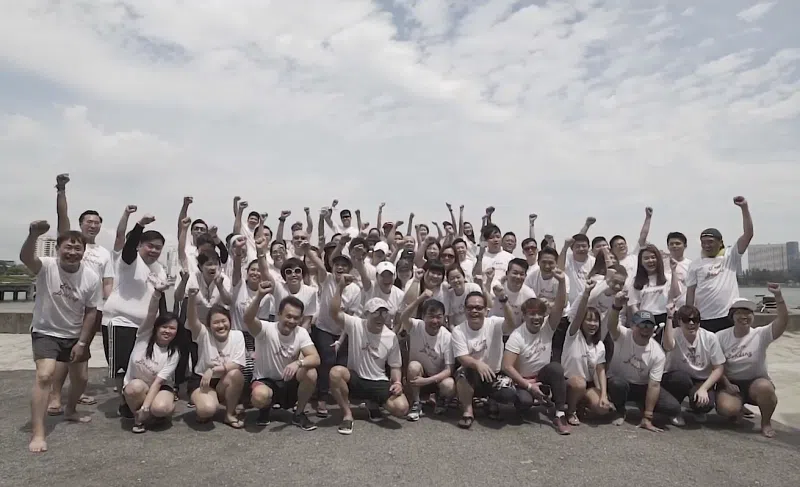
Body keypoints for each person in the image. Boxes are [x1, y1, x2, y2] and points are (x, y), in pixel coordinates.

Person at [21, 221, 101, 453]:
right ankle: (38, 432)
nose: (72, 252)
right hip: (46, 331)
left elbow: (91, 311)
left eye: (78, 249)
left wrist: (83, 342)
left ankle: (71, 410)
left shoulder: (90, 277)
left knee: (81, 379)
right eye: (68, 247)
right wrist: (33, 235)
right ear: (58, 248)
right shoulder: (47, 266)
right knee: (45, 375)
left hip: (74, 334)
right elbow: (26, 258)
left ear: (84, 252)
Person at [50, 173, 114, 410]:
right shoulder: (72, 243)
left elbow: (108, 283)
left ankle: (78, 392)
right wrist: (61, 191)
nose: (93, 225)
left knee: (82, 348)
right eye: (89, 221)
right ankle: (55, 395)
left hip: (91, 308)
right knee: (63, 353)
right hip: (66, 304)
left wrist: (110, 307)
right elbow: (62, 217)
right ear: (80, 224)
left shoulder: (104, 253)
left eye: (97, 222)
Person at [102, 213, 167, 407]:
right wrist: (139, 225)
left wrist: (163, 322)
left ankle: (138, 400)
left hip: (146, 327)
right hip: (121, 322)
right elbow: (128, 247)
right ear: (140, 245)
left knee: (140, 365)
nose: (154, 250)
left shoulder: (159, 269)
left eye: (158, 247)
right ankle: (125, 404)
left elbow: (160, 298)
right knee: (121, 367)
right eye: (150, 246)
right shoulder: (129, 261)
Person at [329, 284, 409, 435]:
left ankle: (373, 403)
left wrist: (397, 382)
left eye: (384, 312)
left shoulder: (391, 336)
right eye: (376, 312)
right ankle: (347, 415)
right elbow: (334, 312)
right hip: (356, 378)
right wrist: (340, 287)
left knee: (402, 408)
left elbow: (395, 366)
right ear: (366, 313)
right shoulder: (355, 324)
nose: (380, 316)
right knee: (335, 373)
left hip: (378, 381)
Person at [501, 269, 571, 435]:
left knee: (556, 368)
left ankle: (559, 414)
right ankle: (527, 403)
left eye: (540, 314)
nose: (537, 318)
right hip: (523, 380)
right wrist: (529, 386)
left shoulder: (547, 327)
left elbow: (559, 306)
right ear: (524, 316)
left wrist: (562, 282)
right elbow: (507, 366)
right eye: (532, 314)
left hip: (541, 375)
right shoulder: (517, 336)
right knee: (525, 401)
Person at [244, 282, 321, 430]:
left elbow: (315, 358)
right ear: (279, 314)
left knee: (311, 372)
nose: (292, 321)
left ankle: (298, 414)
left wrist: (298, 363)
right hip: (266, 381)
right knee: (260, 396)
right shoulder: (265, 329)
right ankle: (264, 409)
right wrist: (259, 295)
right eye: (288, 316)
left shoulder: (301, 332)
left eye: (296, 318)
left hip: (288, 381)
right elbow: (248, 319)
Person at [715, 285, 788, 438]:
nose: (744, 316)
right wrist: (727, 384)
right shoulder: (720, 336)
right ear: (732, 316)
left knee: (765, 388)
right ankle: (737, 408)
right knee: (727, 409)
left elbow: (782, 321)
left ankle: (766, 423)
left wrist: (778, 297)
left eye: (748, 312)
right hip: (731, 383)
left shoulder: (761, 334)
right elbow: (716, 365)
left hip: (756, 382)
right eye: (739, 313)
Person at [606, 292, 681, 431]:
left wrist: (648, 416)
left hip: (642, 386)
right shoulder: (622, 334)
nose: (645, 330)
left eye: (649, 326)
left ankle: (643, 406)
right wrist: (616, 306)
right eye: (641, 325)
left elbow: (654, 385)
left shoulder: (658, 353)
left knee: (673, 407)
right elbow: (611, 325)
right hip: (620, 382)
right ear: (632, 325)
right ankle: (620, 410)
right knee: (617, 384)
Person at [304, 244, 362, 418]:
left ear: (349, 269)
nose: (340, 268)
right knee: (328, 360)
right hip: (323, 328)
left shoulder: (355, 290)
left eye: (344, 265)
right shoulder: (327, 278)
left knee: (341, 365)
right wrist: (307, 250)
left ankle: (342, 397)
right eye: (337, 264)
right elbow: (317, 263)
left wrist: (340, 340)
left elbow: (350, 318)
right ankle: (322, 397)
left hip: (343, 332)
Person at [451, 290, 518, 429]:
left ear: (486, 311)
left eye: (478, 308)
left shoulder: (495, 323)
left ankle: (490, 401)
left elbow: (511, 324)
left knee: (509, 394)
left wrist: (504, 301)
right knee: (462, 373)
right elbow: (462, 357)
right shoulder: (458, 330)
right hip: (472, 373)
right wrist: (478, 364)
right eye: (470, 308)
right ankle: (468, 411)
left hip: (494, 374)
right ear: (464, 310)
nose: (474, 311)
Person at [686, 196, 753, 332]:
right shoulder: (695, 264)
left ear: (720, 242)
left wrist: (744, 208)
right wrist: (689, 315)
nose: (707, 245)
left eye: (710, 242)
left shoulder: (730, 256)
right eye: (703, 242)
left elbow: (748, 234)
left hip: (728, 316)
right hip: (704, 318)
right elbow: (690, 292)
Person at [122, 280, 179, 433]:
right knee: (133, 388)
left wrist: (146, 407)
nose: (167, 331)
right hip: (138, 386)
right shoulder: (144, 336)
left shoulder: (173, 353)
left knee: (160, 408)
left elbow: (158, 383)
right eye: (164, 327)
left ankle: (159, 412)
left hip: (159, 388)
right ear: (157, 328)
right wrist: (157, 293)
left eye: (172, 328)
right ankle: (139, 418)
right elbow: (152, 313)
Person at [185, 290, 246, 428]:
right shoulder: (203, 334)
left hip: (223, 380)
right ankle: (205, 405)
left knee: (236, 374)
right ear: (209, 325)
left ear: (230, 321)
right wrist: (192, 299)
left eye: (224, 321)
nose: (221, 325)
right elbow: (192, 320)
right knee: (206, 410)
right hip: (202, 381)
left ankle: (229, 414)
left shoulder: (237, 336)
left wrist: (213, 370)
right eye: (216, 323)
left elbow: (238, 364)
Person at [660, 303, 725, 425]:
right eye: (686, 320)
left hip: (700, 379)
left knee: (706, 403)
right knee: (681, 379)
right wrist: (669, 317)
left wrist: (704, 389)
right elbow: (668, 346)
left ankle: (697, 410)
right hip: (677, 377)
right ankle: (675, 411)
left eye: (695, 320)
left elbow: (718, 368)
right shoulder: (674, 333)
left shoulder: (710, 337)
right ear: (679, 322)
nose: (691, 323)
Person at [396, 292, 455, 421]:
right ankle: (416, 403)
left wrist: (427, 381)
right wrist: (420, 299)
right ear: (423, 317)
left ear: (444, 318)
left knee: (449, 385)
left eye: (439, 317)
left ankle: (440, 399)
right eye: (431, 316)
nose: (435, 321)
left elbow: (449, 369)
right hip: (418, 377)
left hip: (436, 379)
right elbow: (403, 316)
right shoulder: (416, 326)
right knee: (413, 366)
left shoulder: (447, 337)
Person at [561, 280, 613, 426]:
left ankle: (582, 405)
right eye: (588, 320)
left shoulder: (599, 345)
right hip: (569, 383)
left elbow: (600, 371)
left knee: (603, 408)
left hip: (587, 385)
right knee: (579, 383)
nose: (592, 324)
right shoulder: (573, 335)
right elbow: (577, 316)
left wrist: (603, 395)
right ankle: (570, 411)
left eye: (595, 321)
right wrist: (586, 293)